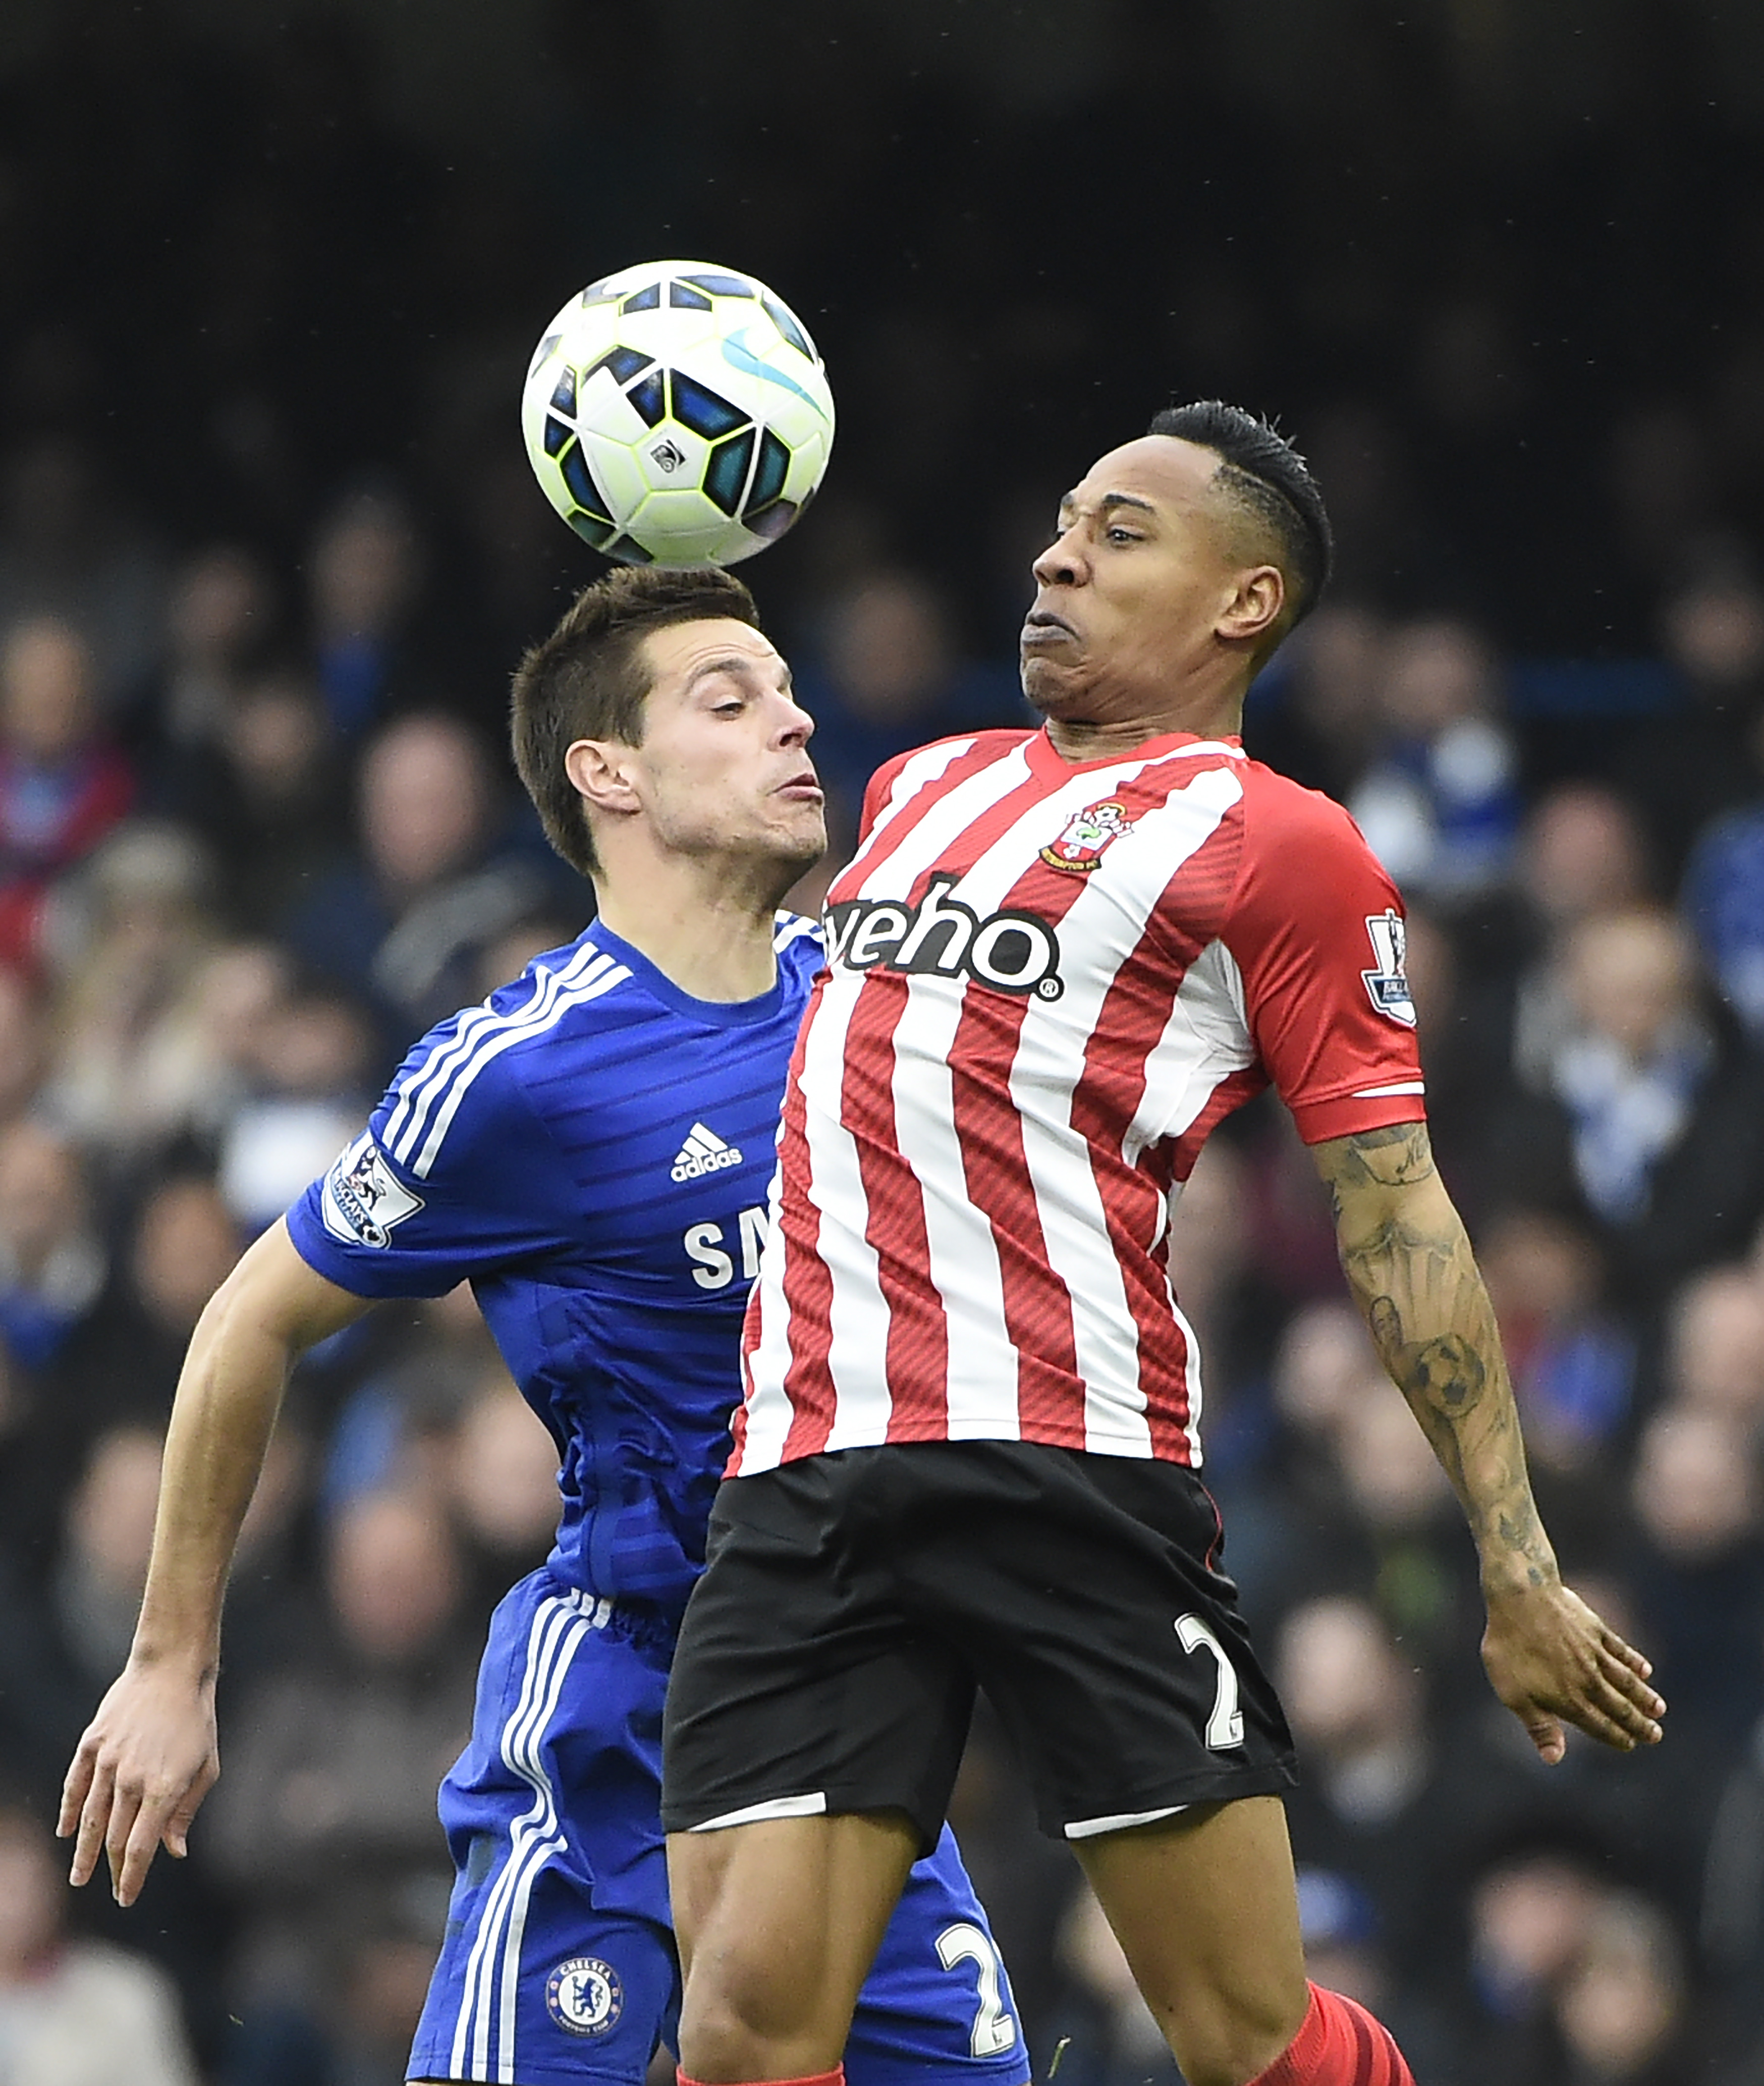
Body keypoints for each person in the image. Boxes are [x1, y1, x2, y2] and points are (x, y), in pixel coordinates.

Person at [657, 403, 1667, 2086]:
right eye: (1061, 522)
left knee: (1242, 2038)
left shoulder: (1285, 845)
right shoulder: (916, 785)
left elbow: (1397, 1208)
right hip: (808, 1471)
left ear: (1244, 603)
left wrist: (1514, 1563)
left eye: (1120, 532)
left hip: (1071, 1467)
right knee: (745, 2040)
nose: (1056, 554)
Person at [57, 566, 1030, 2086]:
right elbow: (247, 1320)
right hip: (629, 1707)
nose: (798, 722)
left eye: (787, 690)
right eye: (735, 699)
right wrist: (174, 1663)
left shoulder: (869, 1004)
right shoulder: (521, 1071)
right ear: (609, 773)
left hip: (853, 1707)